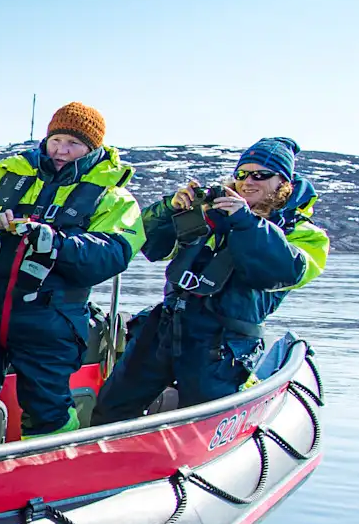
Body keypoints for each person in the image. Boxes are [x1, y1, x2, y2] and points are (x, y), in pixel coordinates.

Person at [0, 102, 144, 448]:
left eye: (73, 144)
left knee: (47, 406)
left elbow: (113, 253)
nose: (61, 151)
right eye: (57, 140)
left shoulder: (114, 196)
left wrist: (58, 243)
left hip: (52, 318)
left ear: (92, 148)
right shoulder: (4, 174)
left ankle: (51, 479)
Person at [92, 137, 329, 421]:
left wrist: (245, 222)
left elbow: (281, 271)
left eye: (260, 175)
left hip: (223, 345)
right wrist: (170, 209)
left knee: (202, 420)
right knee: (112, 406)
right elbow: (152, 245)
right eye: (242, 174)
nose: (248, 182)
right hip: (166, 327)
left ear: (284, 182)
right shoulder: (212, 212)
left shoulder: (304, 234)